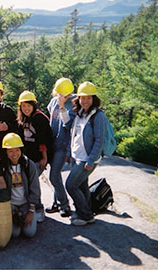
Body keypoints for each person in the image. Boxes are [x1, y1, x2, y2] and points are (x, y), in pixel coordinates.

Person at [65, 81, 106, 226]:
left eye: (89, 98)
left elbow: (99, 140)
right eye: (83, 98)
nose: (85, 101)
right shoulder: (79, 113)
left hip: (87, 159)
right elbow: (72, 133)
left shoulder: (98, 116)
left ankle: (87, 215)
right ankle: (85, 211)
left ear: (94, 99)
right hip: (77, 157)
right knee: (82, 186)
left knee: (70, 185)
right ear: (78, 99)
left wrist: (91, 160)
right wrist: (70, 153)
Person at [1, 133, 43, 238]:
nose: (14, 154)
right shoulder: (2, 167)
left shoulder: (29, 165)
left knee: (29, 233)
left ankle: (34, 215)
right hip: (11, 206)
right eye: (10, 151)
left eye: (17, 150)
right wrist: (7, 209)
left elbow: (35, 188)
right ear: (5, 152)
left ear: (21, 150)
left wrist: (31, 210)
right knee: (14, 234)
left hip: (26, 205)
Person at [45, 78, 76, 217]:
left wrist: (62, 105)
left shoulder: (73, 105)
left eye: (63, 94)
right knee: (56, 175)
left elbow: (68, 124)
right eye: (58, 93)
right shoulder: (53, 101)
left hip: (63, 145)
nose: (60, 96)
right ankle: (56, 203)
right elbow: (50, 115)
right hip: (52, 143)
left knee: (53, 176)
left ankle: (65, 205)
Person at [17, 91, 53, 176]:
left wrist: (44, 158)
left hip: (39, 158)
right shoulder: (23, 118)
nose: (26, 108)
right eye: (23, 106)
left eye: (29, 106)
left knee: (31, 182)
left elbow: (43, 140)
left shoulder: (40, 118)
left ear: (33, 105)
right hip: (28, 158)